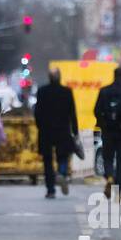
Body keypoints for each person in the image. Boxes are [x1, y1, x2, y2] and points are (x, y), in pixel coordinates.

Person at [93, 67, 121, 199]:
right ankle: (118, 191)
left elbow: (96, 110)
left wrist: (102, 124)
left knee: (107, 158)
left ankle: (109, 176)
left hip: (108, 131)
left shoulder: (104, 91)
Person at [34, 67, 78, 198]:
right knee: (62, 156)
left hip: (46, 131)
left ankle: (50, 190)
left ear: (49, 77)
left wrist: (40, 126)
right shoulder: (67, 92)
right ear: (60, 77)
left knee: (47, 160)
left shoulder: (42, 91)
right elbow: (72, 113)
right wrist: (75, 131)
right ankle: (61, 173)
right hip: (62, 130)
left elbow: (37, 112)